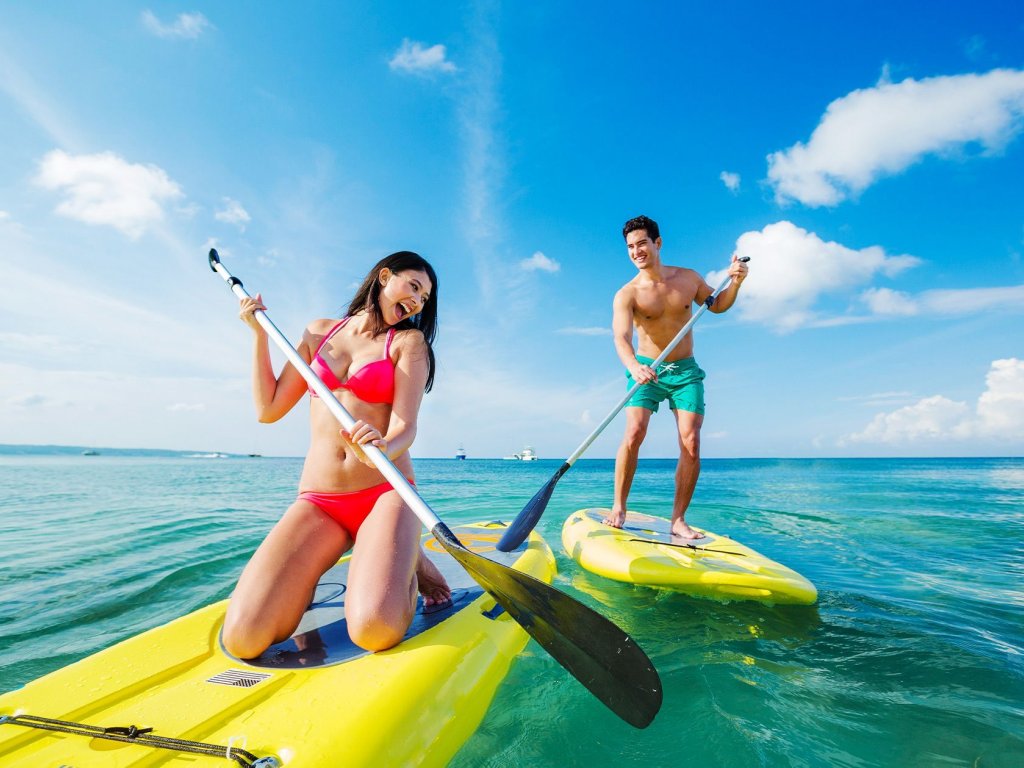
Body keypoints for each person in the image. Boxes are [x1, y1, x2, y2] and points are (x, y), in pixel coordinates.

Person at [222, 251, 451, 659]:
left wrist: (383, 446)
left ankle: (409, 559)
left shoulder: (408, 343)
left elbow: (405, 428)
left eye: (425, 298)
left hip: (385, 492)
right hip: (320, 500)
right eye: (413, 287)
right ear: (385, 277)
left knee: (374, 630)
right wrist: (258, 335)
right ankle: (374, 557)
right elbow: (268, 409)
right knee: (243, 637)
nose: (418, 302)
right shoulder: (318, 333)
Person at [604, 215, 748, 539]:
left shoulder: (688, 279)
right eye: (630, 246)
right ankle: (618, 507)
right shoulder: (627, 294)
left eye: (642, 243)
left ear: (658, 243)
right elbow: (621, 338)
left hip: (685, 372)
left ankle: (678, 520)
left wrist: (736, 281)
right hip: (646, 369)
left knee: (691, 442)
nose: (636, 251)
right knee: (634, 432)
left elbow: (718, 304)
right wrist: (633, 366)